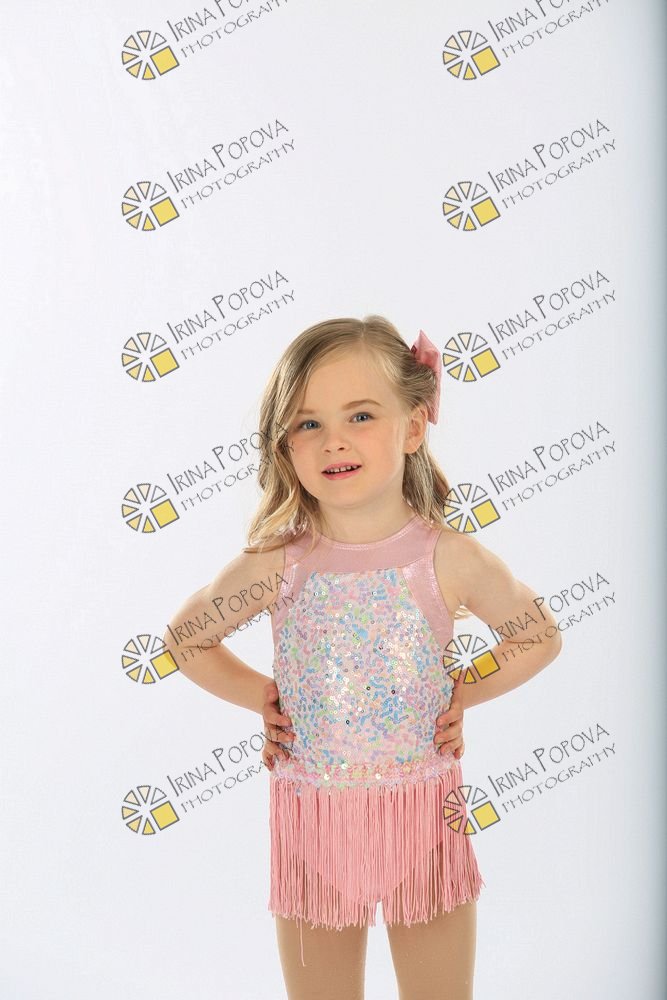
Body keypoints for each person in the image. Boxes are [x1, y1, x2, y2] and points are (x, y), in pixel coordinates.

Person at [163, 315, 563, 1000]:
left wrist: (463, 691)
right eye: (307, 423)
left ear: (413, 427)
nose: (334, 439)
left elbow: (537, 635)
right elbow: (186, 638)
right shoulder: (278, 563)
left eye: (360, 415)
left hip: (423, 825)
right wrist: (262, 697)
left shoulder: (447, 557)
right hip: (312, 828)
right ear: (284, 444)